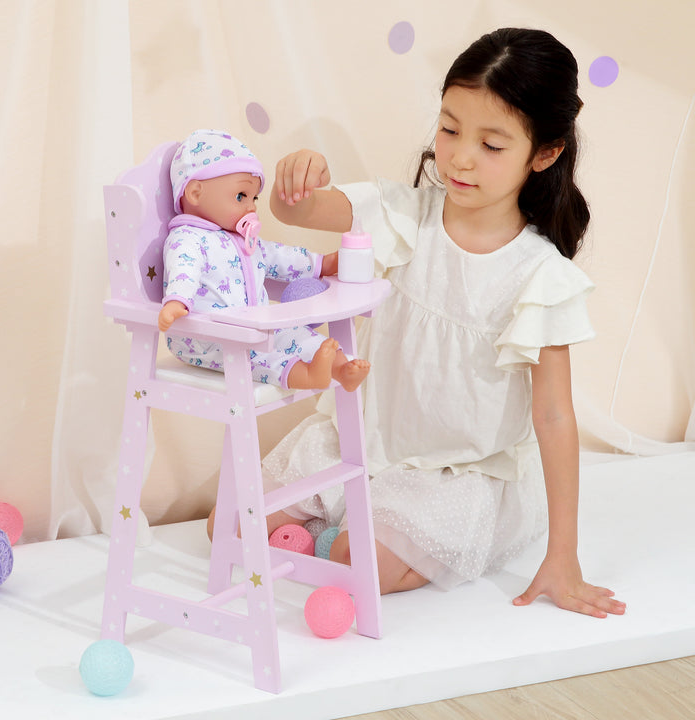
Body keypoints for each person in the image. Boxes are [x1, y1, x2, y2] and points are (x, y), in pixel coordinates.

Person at [254, 28, 627, 617]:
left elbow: (554, 415)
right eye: (450, 128)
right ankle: (335, 528)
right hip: (363, 440)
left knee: (361, 561)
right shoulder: (403, 215)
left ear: (545, 153)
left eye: (492, 144)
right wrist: (299, 176)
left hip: (455, 478)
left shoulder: (538, 277)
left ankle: (349, 538)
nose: (459, 156)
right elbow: (293, 210)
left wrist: (564, 555)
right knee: (232, 526)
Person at [159, 129, 370, 392]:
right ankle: (306, 375)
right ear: (195, 193)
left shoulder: (239, 238)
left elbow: (278, 255)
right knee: (259, 359)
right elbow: (183, 269)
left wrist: (320, 264)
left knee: (299, 335)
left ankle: (340, 369)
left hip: (254, 326)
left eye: (253, 198)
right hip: (208, 338)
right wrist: (178, 300)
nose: (251, 207)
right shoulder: (187, 238)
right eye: (240, 196)